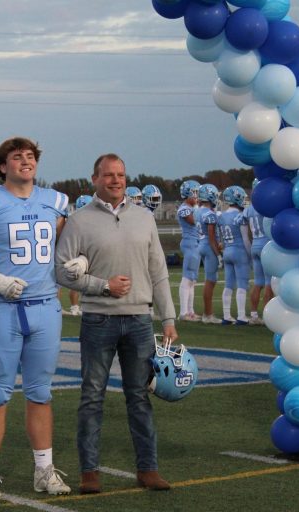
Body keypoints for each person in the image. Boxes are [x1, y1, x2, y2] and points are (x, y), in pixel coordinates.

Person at [55, 153, 178, 495]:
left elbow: (158, 272)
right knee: (92, 397)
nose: (115, 180)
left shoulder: (144, 218)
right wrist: (102, 286)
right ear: (94, 179)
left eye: (120, 174)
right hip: (97, 319)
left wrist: (167, 318)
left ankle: (148, 469)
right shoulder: (78, 221)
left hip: (139, 320)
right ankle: (89, 472)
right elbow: (61, 270)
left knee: (139, 397)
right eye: (108, 175)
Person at [0, 137, 71, 500]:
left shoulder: (55, 202)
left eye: (30, 156)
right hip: (1, 307)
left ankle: (43, 469)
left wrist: (77, 262)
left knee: (40, 392)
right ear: (2, 166)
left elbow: (65, 249)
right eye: (16, 156)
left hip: (45, 306)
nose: (25, 161)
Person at [218, 186, 251, 325]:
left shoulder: (221, 216)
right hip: (239, 251)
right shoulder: (240, 216)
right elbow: (245, 239)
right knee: (242, 284)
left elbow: (221, 239)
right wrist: (250, 254)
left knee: (228, 284)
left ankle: (226, 315)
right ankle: (241, 316)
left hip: (227, 251)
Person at [242, 179, 273, 325]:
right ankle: (267, 316)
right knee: (268, 283)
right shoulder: (266, 206)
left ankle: (254, 315)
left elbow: (247, 230)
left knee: (258, 282)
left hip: (255, 243)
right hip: (266, 246)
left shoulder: (249, 209)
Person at [196, 184, 223, 324]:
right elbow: (212, 237)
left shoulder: (197, 212)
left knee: (209, 280)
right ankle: (208, 314)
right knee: (210, 281)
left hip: (201, 244)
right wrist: (218, 254)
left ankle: (207, 313)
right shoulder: (210, 214)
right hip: (208, 245)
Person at [176, 180, 201, 321]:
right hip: (189, 243)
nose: (197, 197)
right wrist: (199, 208)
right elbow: (193, 221)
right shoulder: (184, 208)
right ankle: (183, 312)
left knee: (192, 279)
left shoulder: (192, 208)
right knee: (187, 278)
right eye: (195, 193)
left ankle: (190, 311)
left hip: (195, 243)